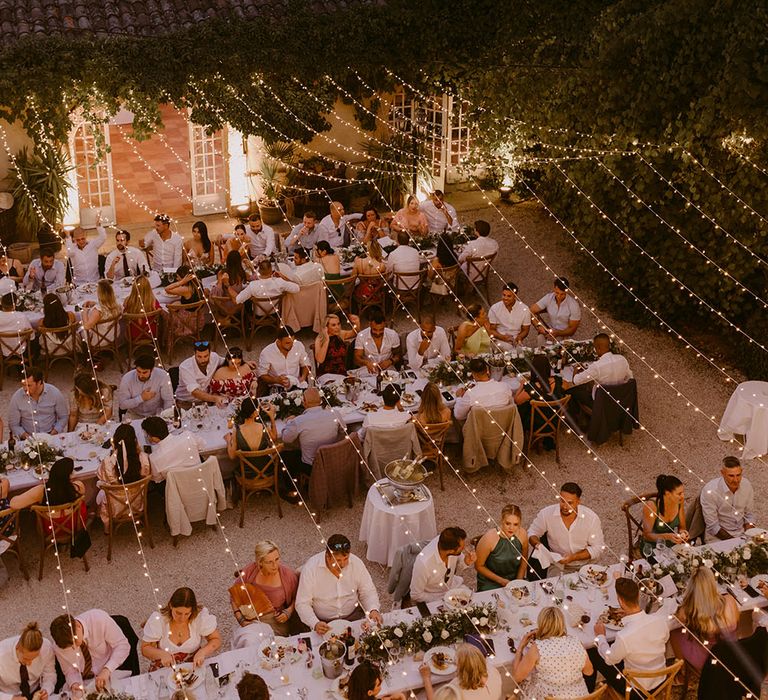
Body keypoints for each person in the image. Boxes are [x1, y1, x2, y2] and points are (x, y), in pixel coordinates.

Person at [587, 578, 670, 697]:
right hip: (660, 679)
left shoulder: (623, 636)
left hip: (636, 690)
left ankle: (589, 693)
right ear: (637, 596)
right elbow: (665, 639)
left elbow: (610, 660)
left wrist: (600, 636)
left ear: (620, 601)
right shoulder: (660, 620)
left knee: (592, 651)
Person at [295, 534, 383, 633]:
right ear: (328, 556)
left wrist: (373, 609)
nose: (343, 564)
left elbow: (368, 591)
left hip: (353, 616)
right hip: (323, 622)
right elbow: (302, 603)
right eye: (338, 560)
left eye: (346, 559)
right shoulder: (311, 569)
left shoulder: (356, 563)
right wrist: (314, 623)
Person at [670, 565, 739, 672]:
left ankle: (681, 671)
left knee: (674, 631)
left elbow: (677, 617)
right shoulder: (729, 600)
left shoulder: (689, 610)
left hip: (706, 661)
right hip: (731, 655)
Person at [512, 606, 591, 698]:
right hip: (580, 697)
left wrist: (521, 647)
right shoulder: (577, 643)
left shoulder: (537, 648)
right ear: (562, 624)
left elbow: (517, 678)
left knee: (523, 680)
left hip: (547, 696)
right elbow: (588, 672)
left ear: (541, 624)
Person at [528, 482, 605, 574]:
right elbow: (532, 532)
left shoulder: (591, 518)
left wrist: (573, 557)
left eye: (570, 503)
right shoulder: (546, 514)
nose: (565, 506)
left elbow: (598, 548)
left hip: (585, 565)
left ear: (578, 502)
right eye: (562, 501)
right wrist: (538, 545)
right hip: (557, 566)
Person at [49, 610, 132, 693]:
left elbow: (123, 645)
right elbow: (69, 670)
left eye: (74, 642)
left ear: (78, 626)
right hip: (84, 682)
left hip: (112, 671)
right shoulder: (58, 645)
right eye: (70, 647)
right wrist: (74, 683)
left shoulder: (98, 619)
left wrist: (107, 669)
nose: (74, 647)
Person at [141, 587, 221, 671]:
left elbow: (216, 639)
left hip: (192, 666)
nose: (182, 618)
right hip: (164, 667)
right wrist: (161, 654)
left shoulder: (199, 619)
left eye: (187, 614)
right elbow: (145, 648)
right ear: (171, 606)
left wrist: (203, 652)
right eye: (178, 613)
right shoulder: (159, 620)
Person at [230, 541, 300, 636]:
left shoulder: (288, 575)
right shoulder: (250, 571)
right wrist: (240, 618)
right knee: (248, 640)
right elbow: (234, 595)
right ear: (260, 562)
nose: (275, 565)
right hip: (252, 619)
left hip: (276, 622)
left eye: (277, 559)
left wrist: (288, 612)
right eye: (269, 562)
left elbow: (299, 596)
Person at [95, 423, 151, 529]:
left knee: (100, 490)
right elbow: (146, 474)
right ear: (135, 440)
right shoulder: (143, 458)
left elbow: (101, 477)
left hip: (116, 507)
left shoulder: (108, 462)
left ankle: (106, 526)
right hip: (137, 504)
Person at [281, 388, 341, 475]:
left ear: (304, 402)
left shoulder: (299, 421)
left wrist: (289, 422)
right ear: (320, 400)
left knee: (284, 455)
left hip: (310, 466)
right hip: (332, 459)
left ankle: (291, 485)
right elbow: (343, 432)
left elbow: (286, 439)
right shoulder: (335, 413)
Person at [568, 332, 633, 412]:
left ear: (598, 348)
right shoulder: (622, 359)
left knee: (572, 391)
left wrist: (576, 368)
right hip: (619, 399)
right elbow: (630, 378)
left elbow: (575, 381)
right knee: (590, 384)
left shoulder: (597, 366)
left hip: (601, 402)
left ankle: (580, 419)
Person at [410, 527, 476, 603]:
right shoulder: (423, 563)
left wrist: (466, 562)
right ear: (451, 550)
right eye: (462, 547)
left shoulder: (447, 542)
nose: (464, 548)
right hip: (433, 596)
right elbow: (415, 595)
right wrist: (444, 599)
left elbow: (459, 562)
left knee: (474, 602)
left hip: (453, 587)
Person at [10, 457, 86, 519]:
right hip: (72, 521)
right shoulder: (78, 486)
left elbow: (14, 504)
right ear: (69, 475)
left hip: (51, 524)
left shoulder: (41, 491)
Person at [701, 456, 756, 541]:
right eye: (731, 476)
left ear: (741, 471)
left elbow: (749, 515)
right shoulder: (710, 490)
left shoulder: (747, 485)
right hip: (718, 537)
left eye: (738, 475)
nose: (736, 480)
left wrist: (750, 536)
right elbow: (713, 527)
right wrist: (736, 543)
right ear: (722, 473)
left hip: (743, 534)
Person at [475, 504, 528, 590]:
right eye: (508, 523)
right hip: (491, 581)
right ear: (501, 520)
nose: (511, 528)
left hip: (514, 578)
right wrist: (502, 581)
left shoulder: (523, 534)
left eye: (515, 524)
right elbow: (478, 566)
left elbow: (524, 558)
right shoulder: (489, 538)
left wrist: (519, 581)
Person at [0, 622, 56, 700]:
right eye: (26, 658)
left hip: (34, 691)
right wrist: (10, 698)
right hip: (7, 695)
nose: (29, 663)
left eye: (34, 658)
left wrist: (46, 690)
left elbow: (50, 674)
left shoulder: (46, 648)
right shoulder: (1, 654)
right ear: (18, 648)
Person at [141, 416, 205, 482]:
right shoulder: (188, 436)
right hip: (202, 480)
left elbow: (157, 479)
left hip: (178, 489)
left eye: (147, 435)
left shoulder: (154, 458)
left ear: (154, 438)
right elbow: (202, 446)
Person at [225, 397, 278, 476]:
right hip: (268, 472)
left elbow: (232, 456)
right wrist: (272, 417)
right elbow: (274, 438)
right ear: (255, 412)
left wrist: (229, 441)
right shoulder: (263, 426)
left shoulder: (237, 430)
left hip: (247, 475)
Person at [8, 368, 68, 438]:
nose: (24, 389)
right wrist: (27, 437)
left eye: (29, 385)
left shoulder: (55, 393)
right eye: (23, 385)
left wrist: (54, 432)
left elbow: (63, 417)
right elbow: (14, 425)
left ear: (39, 382)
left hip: (51, 435)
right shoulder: (16, 397)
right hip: (28, 437)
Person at [638, 474, 688, 554]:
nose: (683, 496)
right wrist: (667, 536)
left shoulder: (679, 502)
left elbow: (682, 527)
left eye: (683, 492)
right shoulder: (651, 506)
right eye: (679, 493)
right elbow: (647, 535)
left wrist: (683, 533)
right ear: (667, 493)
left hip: (671, 546)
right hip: (651, 548)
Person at [118, 353, 174, 419]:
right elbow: (122, 405)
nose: (141, 375)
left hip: (157, 414)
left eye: (144, 372)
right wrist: (141, 398)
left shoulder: (163, 376)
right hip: (135, 415)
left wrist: (165, 417)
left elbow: (168, 400)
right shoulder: (127, 379)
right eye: (138, 371)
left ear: (152, 369)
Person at [235, 260, 300, 315]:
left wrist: (228, 287)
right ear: (271, 270)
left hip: (258, 314)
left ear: (259, 271)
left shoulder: (252, 285)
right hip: (275, 313)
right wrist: (283, 277)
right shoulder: (279, 282)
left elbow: (238, 299)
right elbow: (297, 288)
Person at [176, 341, 227, 406]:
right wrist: (216, 398)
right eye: (199, 357)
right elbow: (195, 392)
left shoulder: (215, 357)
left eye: (206, 356)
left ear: (210, 353)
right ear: (194, 353)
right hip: (186, 402)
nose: (203, 360)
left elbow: (227, 363)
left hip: (207, 400)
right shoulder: (185, 367)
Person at [353, 307, 401, 372]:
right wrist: (366, 363)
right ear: (370, 324)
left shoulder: (392, 334)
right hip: (367, 369)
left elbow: (398, 354)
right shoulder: (361, 336)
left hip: (388, 369)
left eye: (381, 329)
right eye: (375, 329)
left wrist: (390, 361)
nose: (378, 333)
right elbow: (357, 359)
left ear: (385, 324)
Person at [80, 278, 122, 352]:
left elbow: (86, 326)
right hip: (113, 336)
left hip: (99, 341)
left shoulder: (98, 311)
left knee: (79, 330)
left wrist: (84, 312)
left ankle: (86, 354)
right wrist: (96, 303)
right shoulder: (117, 305)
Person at [488, 282, 531, 350]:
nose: (505, 298)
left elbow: (525, 330)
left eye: (509, 296)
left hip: (516, 340)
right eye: (504, 295)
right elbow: (491, 329)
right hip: (499, 340)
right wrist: (502, 337)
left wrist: (519, 337)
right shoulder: (494, 308)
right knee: (511, 350)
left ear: (515, 296)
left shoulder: (524, 309)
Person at [122, 274, 162, 342]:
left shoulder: (128, 301)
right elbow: (160, 312)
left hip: (133, 334)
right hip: (151, 333)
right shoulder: (153, 301)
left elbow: (124, 315)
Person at [211, 250, 249, 314]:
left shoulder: (222, 273)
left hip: (225, 309)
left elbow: (217, 294)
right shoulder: (242, 273)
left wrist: (220, 282)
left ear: (228, 261)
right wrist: (251, 268)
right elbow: (255, 279)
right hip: (238, 307)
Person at [351, 239, 387, 307]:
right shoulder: (381, 266)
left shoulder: (359, 262)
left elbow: (352, 278)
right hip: (377, 294)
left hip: (362, 293)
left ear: (368, 250)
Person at [428, 233, 458, 297]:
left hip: (440, 285)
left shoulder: (437, 260)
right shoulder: (455, 256)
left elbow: (430, 277)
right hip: (452, 283)